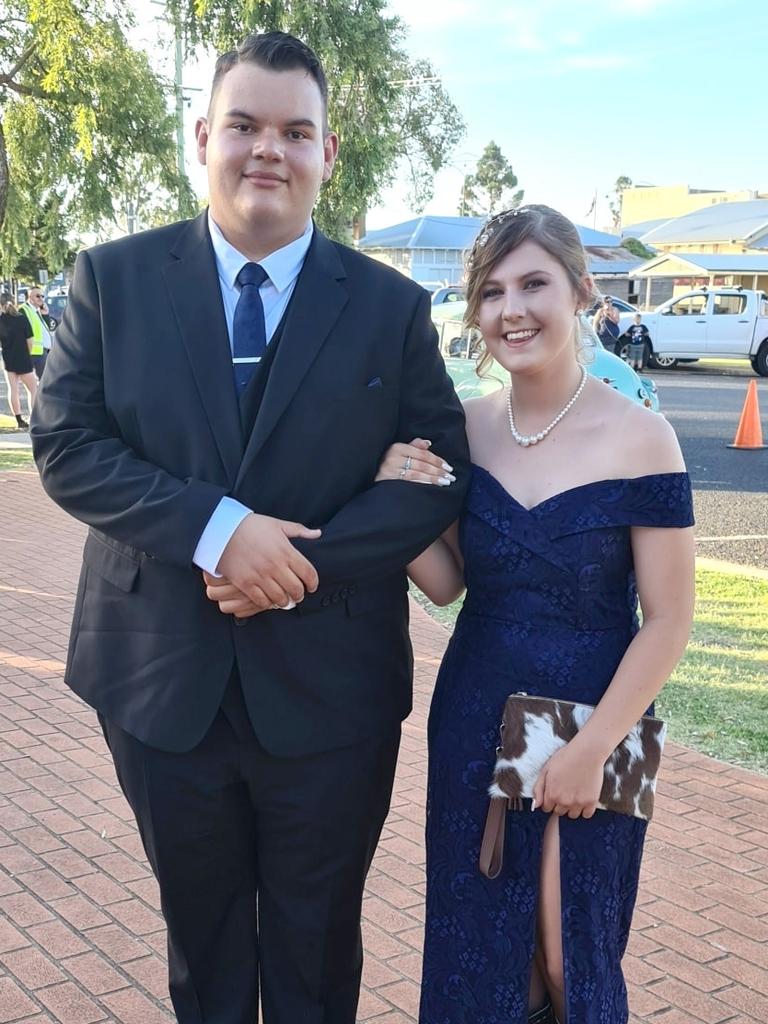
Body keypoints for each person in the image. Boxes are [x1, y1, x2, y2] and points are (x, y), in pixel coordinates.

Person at [31, 31, 469, 1024]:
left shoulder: (393, 309)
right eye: (244, 124)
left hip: (333, 692)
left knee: (315, 947)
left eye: (294, 130)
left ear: (329, 154)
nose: (267, 148)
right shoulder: (113, 280)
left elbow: (441, 473)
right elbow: (66, 441)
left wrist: (291, 559)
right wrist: (219, 529)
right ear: (203, 136)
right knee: (206, 942)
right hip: (157, 683)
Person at [375, 205, 695, 1024]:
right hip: (478, 710)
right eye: (491, 292)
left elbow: (667, 619)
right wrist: (394, 499)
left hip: (602, 716)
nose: (510, 309)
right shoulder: (465, 431)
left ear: (582, 292)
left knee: (569, 952)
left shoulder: (644, 437)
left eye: (533, 284)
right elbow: (446, 583)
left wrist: (593, 750)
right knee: (481, 954)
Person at [0, 293, 38, 428]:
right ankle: (34, 417)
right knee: (33, 389)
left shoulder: (1, 320)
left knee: (13, 389)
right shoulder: (22, 319)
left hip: (8, 359)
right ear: (14, 302)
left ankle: (19, 420)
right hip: (23, 357)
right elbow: (30, 341)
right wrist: (27, 353)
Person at [21, 286, 52, 379]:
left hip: (42, 351)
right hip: (34, 353)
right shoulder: (23, 310)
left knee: (45, 381)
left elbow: (46, 329)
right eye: (38, 296)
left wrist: (45, 314)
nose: (41, 299)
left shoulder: (36, 311)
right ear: (29, 297)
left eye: (43, 296)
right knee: (45, 381)